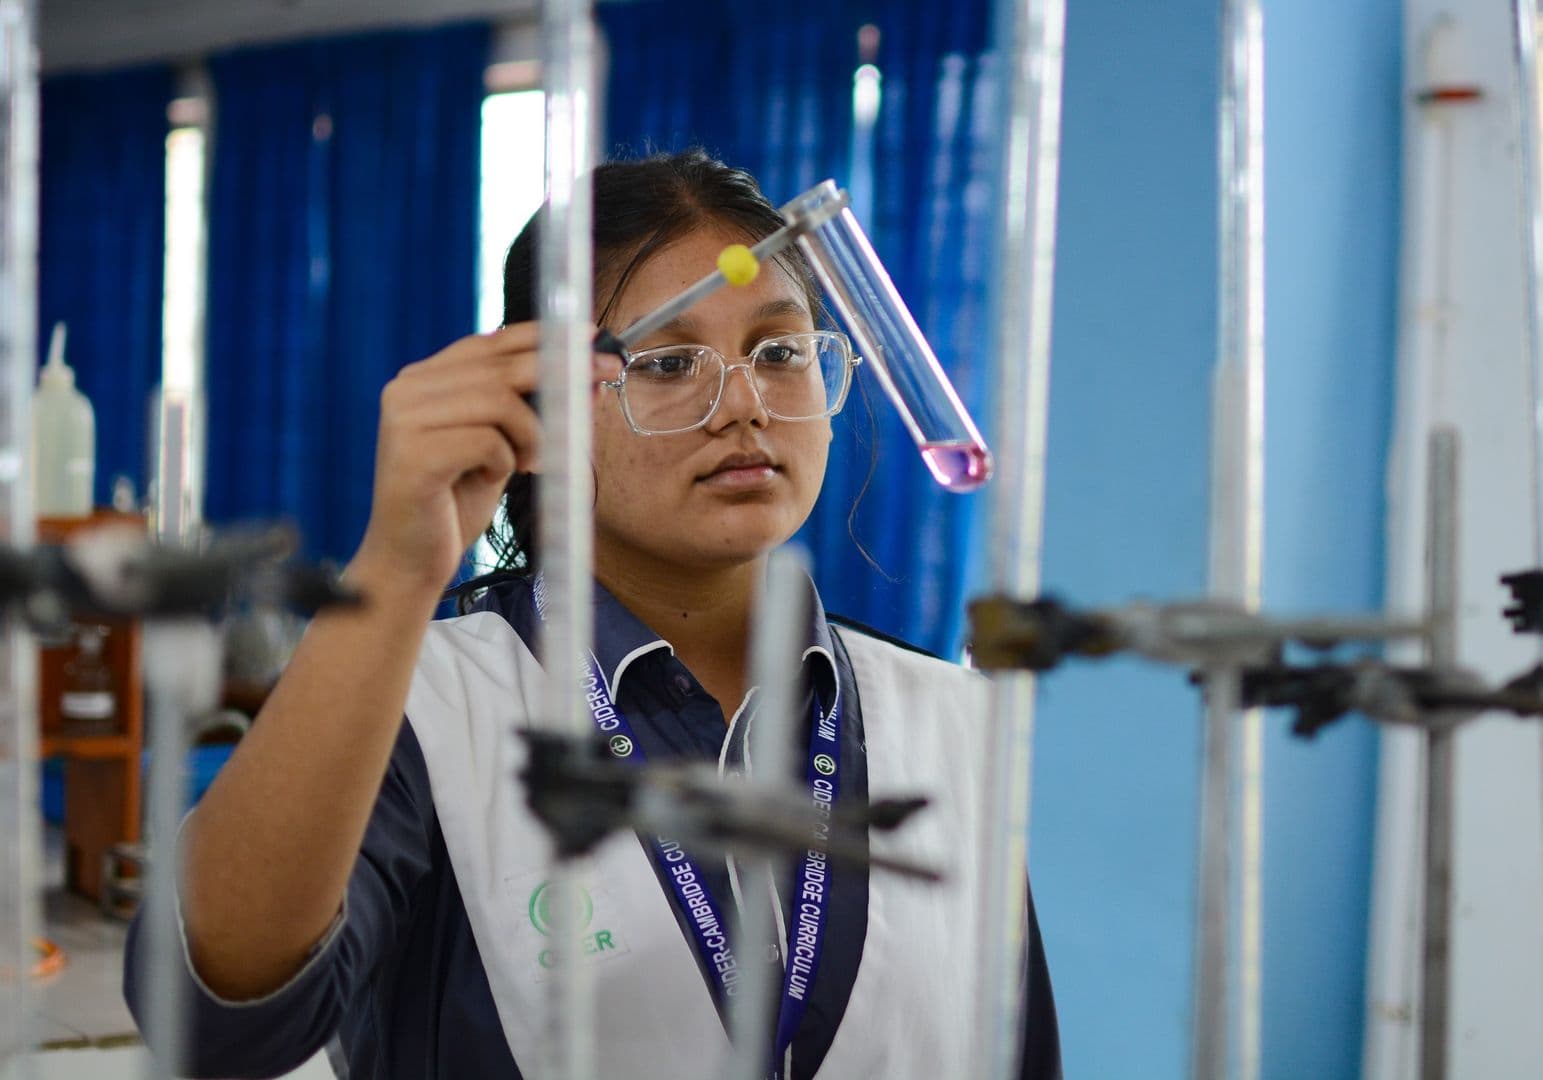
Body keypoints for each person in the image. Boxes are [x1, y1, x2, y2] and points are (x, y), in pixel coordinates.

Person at [124, 149, 1061, 1079]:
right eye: (664, 363)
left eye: (778, 352)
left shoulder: (951, 719)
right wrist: (395, 571)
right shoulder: (417, 710)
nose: (743, 405)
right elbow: (215, 1020)